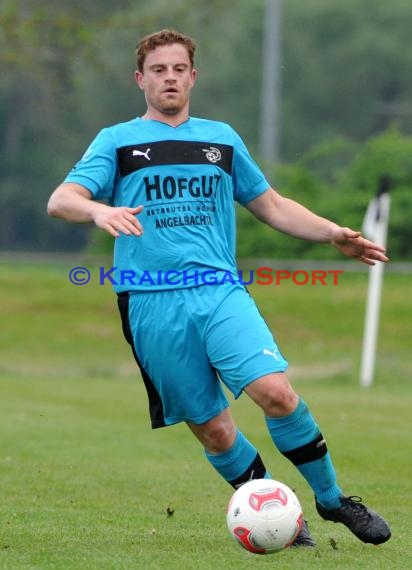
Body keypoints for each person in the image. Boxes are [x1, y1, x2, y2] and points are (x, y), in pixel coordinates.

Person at [47, 29, 391, 548]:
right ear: (141, 79)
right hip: (150, 303)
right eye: (158, 70)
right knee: (213, 429)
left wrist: (331, 234)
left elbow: (271, 205)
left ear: (193, 76)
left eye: (178, 69)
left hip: (219, 290)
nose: (169, 77)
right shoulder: (116, 141)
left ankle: (332, 499)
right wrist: (99, 209)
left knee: (275, 391)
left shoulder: (221, 139)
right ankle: (280, 520)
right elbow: (61, 199)